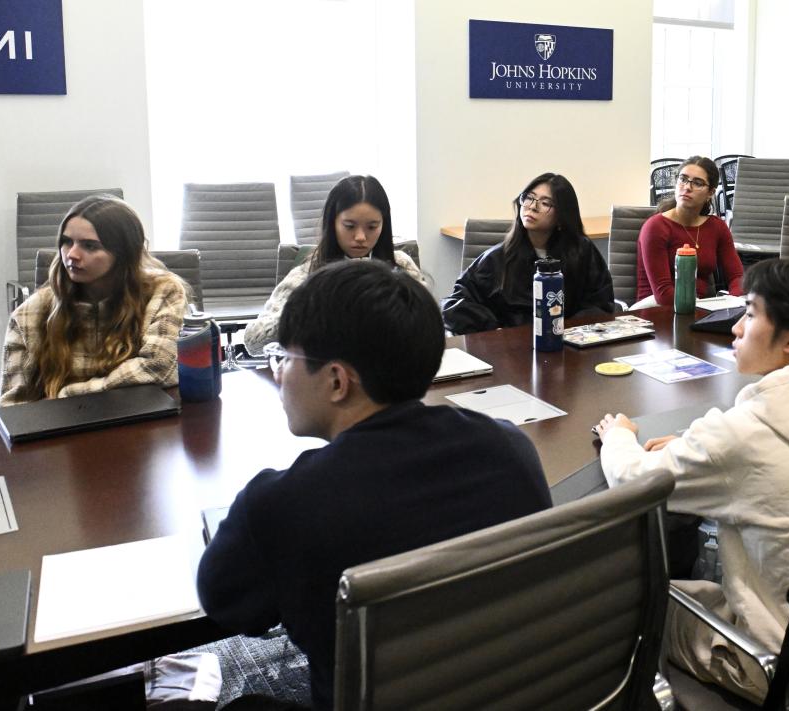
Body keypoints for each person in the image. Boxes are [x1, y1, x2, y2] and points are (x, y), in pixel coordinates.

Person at [197, 260, 551, 711]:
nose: (278, 372)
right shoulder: (508, 446)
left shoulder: (283, 503)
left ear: (337, 380)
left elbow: (226, 604)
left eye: (284, 357)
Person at [594, 259, 789, 703]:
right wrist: (694, 443)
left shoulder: (739, 436)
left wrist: (619, 436)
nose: (736, 329)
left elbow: (634, 480)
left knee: (614, 603)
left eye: (749, 313)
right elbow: (762, 458)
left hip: (764, 657)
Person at [0, 195, 187, 406]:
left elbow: (159, 368)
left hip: (135, 420)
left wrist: (67, 396)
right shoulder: (28, 317)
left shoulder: (162, 292)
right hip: (61, 431)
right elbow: (13, 407)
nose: (72, 254)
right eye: (66, 242)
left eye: (89, 246)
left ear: (124, 253)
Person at [244, 175, 424, 356]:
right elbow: (253, 342)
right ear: (332, 223)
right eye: (349, 226)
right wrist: (310, 310)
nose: (360, 237)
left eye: (372, 227)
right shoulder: (307, 274)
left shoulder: (402, 265)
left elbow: (430, 327)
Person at [442, 172, 615, 334]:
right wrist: (494, 329)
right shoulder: (497, 258)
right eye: (529, 198)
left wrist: (565, 330)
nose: (532, 207)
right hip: (512, 352)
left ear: (562, 216)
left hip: (570, 347)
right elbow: (453, 306)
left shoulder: (582, 252)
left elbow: (601, 304)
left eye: (545, 203)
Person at [632, 156, 744, 308]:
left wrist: (735, 302)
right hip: (654, 310)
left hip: (698, 308)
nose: (687, 187)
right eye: (683, 179)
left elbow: (737, 276)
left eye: (697, 183)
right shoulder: (656, 227)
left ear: (710, 192)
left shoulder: (716, 227)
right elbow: (663, 294)